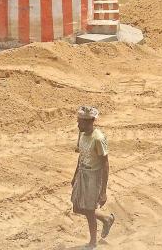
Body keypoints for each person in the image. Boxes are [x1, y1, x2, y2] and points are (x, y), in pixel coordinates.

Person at [71, 106, 115, 249]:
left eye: (80, 122)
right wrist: (75, 175)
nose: (78, 124)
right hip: (82, 174)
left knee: (89, 210)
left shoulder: (99, 138)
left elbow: (105, 164)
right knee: (77, 207)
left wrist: (103, 191)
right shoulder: (82, 134)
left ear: (89, 121)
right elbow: (81, 156)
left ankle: (93, 243)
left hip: (93, 177)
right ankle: (105, 218)